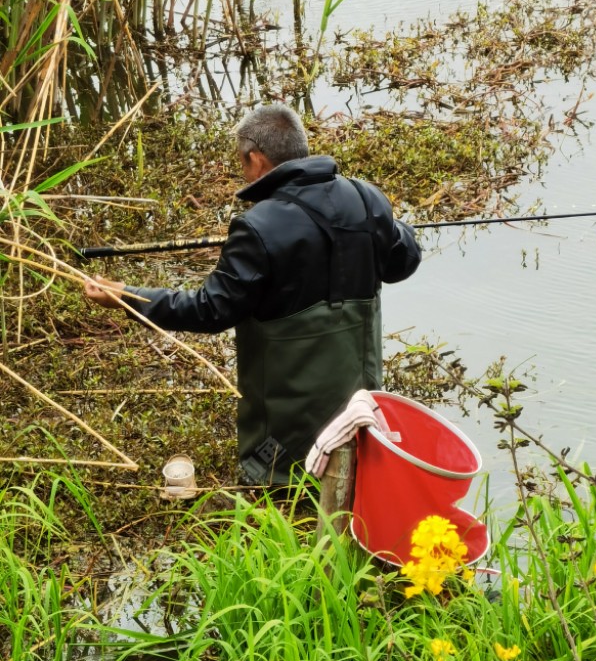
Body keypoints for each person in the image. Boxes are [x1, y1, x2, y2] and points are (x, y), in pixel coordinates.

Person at [84, 103, 421, 483]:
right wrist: (383, 223)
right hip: (359, 418)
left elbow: (210, 311)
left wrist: (127, 297)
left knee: (275, 480)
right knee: (351, 462)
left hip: (285, 444)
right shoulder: (367, 199)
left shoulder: (257, 227)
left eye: (242, 163)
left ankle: (276, 487)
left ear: (256, 158)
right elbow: (403, 262)